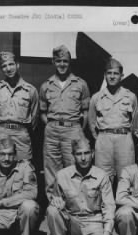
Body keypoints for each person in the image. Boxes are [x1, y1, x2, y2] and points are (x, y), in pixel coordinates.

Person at [46, 137, 116, 235]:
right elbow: (54, 197)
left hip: (94, 221)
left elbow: (109, 207)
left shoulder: (102, 176)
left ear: (92, 154)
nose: (83, 158)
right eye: (79, 154)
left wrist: (107, 234)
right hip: (72, 222)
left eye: (86, 153)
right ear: (73, 155)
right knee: (52, 210)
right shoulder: (62, 175)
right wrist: (55, 200)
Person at [40, 45, 91, 199]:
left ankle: (74, 204)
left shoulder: (80, 84)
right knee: (51, 168)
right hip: (52, 131)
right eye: (58, 61)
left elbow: (86, 112)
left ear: (70, 62)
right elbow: (43, 113)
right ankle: (54, 206)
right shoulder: (46, 85)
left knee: (73, 167)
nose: (62, 64)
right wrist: (52, 126)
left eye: (65, 61)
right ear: (53, 62)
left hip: (73, 129)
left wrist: (77, 129)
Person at [88, 58, 138, 187]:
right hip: (104, 140)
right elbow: (92, 122)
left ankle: (126, 207)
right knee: (102, 178)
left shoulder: (130, 96)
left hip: (124, 139)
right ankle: (106, 207)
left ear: (121, 76)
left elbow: (135, 123)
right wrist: (100, 138)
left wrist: (126, 135)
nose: (112, 76)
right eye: (109, 73)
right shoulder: (96, 97)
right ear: (104, 75)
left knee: (126, 177)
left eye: (115, 73)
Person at [0, 51, 39, 170]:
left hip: (21, 135)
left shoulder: (30, 90)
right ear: (1, 69)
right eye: (4, 66)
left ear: (17, 65)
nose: (8, 68)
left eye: (11, 64)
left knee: (25, 171)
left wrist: (21, 130)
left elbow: (34, 120)